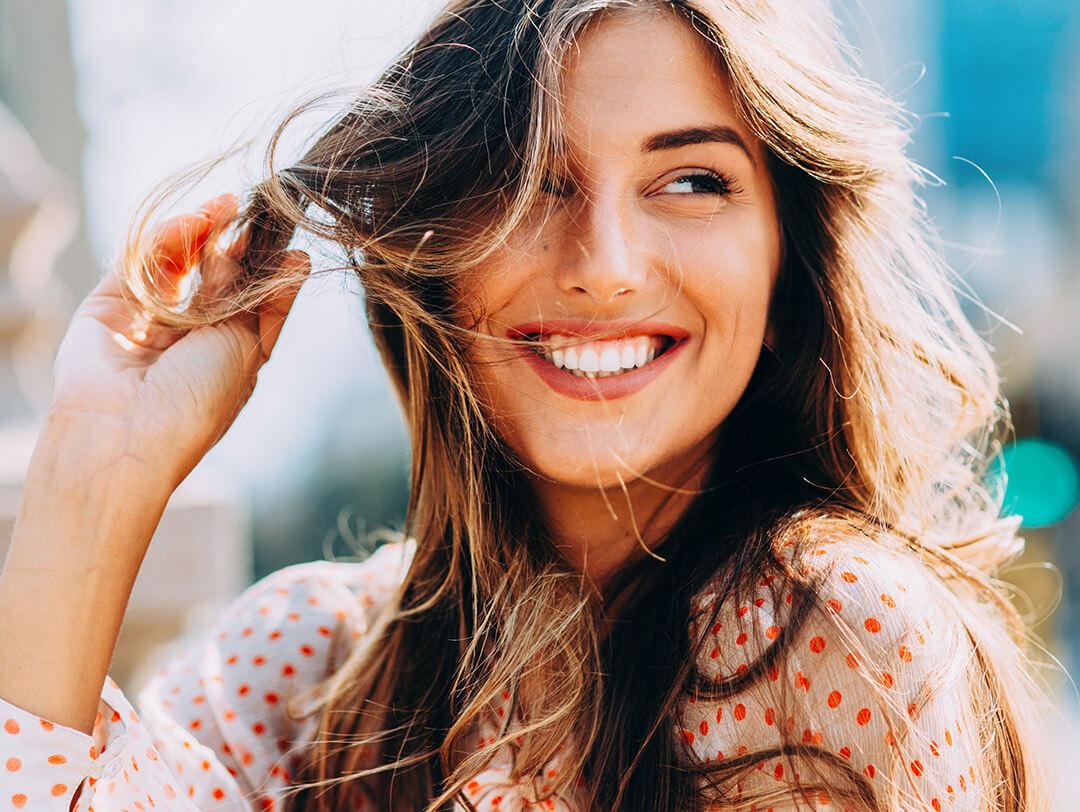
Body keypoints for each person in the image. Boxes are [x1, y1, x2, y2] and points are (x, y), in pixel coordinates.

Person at [0, 0, 1056, 809]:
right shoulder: (298, 674)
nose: (602, 266)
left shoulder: (839, 643)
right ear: (434, 261)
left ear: (785, 275)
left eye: (691, 181)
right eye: (529, 180)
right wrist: (99, 466)